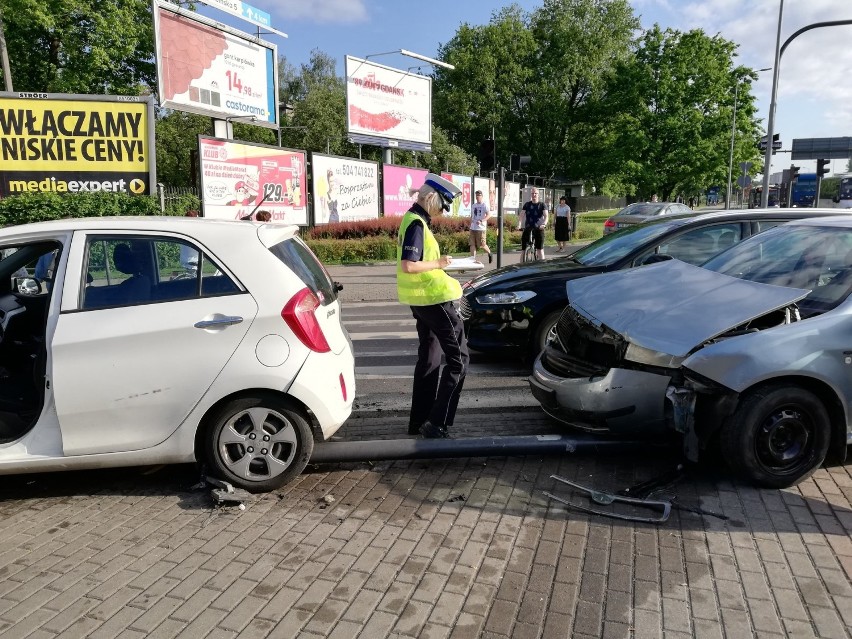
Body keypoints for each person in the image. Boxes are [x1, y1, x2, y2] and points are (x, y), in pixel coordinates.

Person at [397, 173, 469, 439]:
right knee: (459, 360)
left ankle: (419, 421)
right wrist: (440, 264)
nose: (442, 211)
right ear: (429, 198)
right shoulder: (417, 224)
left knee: (429, 359)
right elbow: (409, 264)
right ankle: (437, 423)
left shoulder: (412, 219)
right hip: (434, 300)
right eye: (441, 204)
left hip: (421, 302)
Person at [519, 188, 548, 260]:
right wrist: (519, 224)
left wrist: (544, 224)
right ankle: (521, 266)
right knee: (523, 249)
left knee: (540, 249)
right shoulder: (527, 204)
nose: (534, 195)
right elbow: (521, 215)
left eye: (535, 193)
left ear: (538, 194)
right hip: (528, 227)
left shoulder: (542, 205)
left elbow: (546, 216)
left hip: (539, 228)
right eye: (532, 193)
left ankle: (542, 265)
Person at [469, 190, 492, 264]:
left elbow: (489, 215)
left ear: (482, 196)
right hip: (473, 228)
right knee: (472, 244)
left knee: (482, 245)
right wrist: (471, 221)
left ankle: (489, 253)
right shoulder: (473, 205)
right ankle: (473, 260)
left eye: (479, 195)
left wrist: (482, 220)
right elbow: (472, 215)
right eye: (476, 195)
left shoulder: (484, 205)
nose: (477, 197)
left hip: (481, 228)